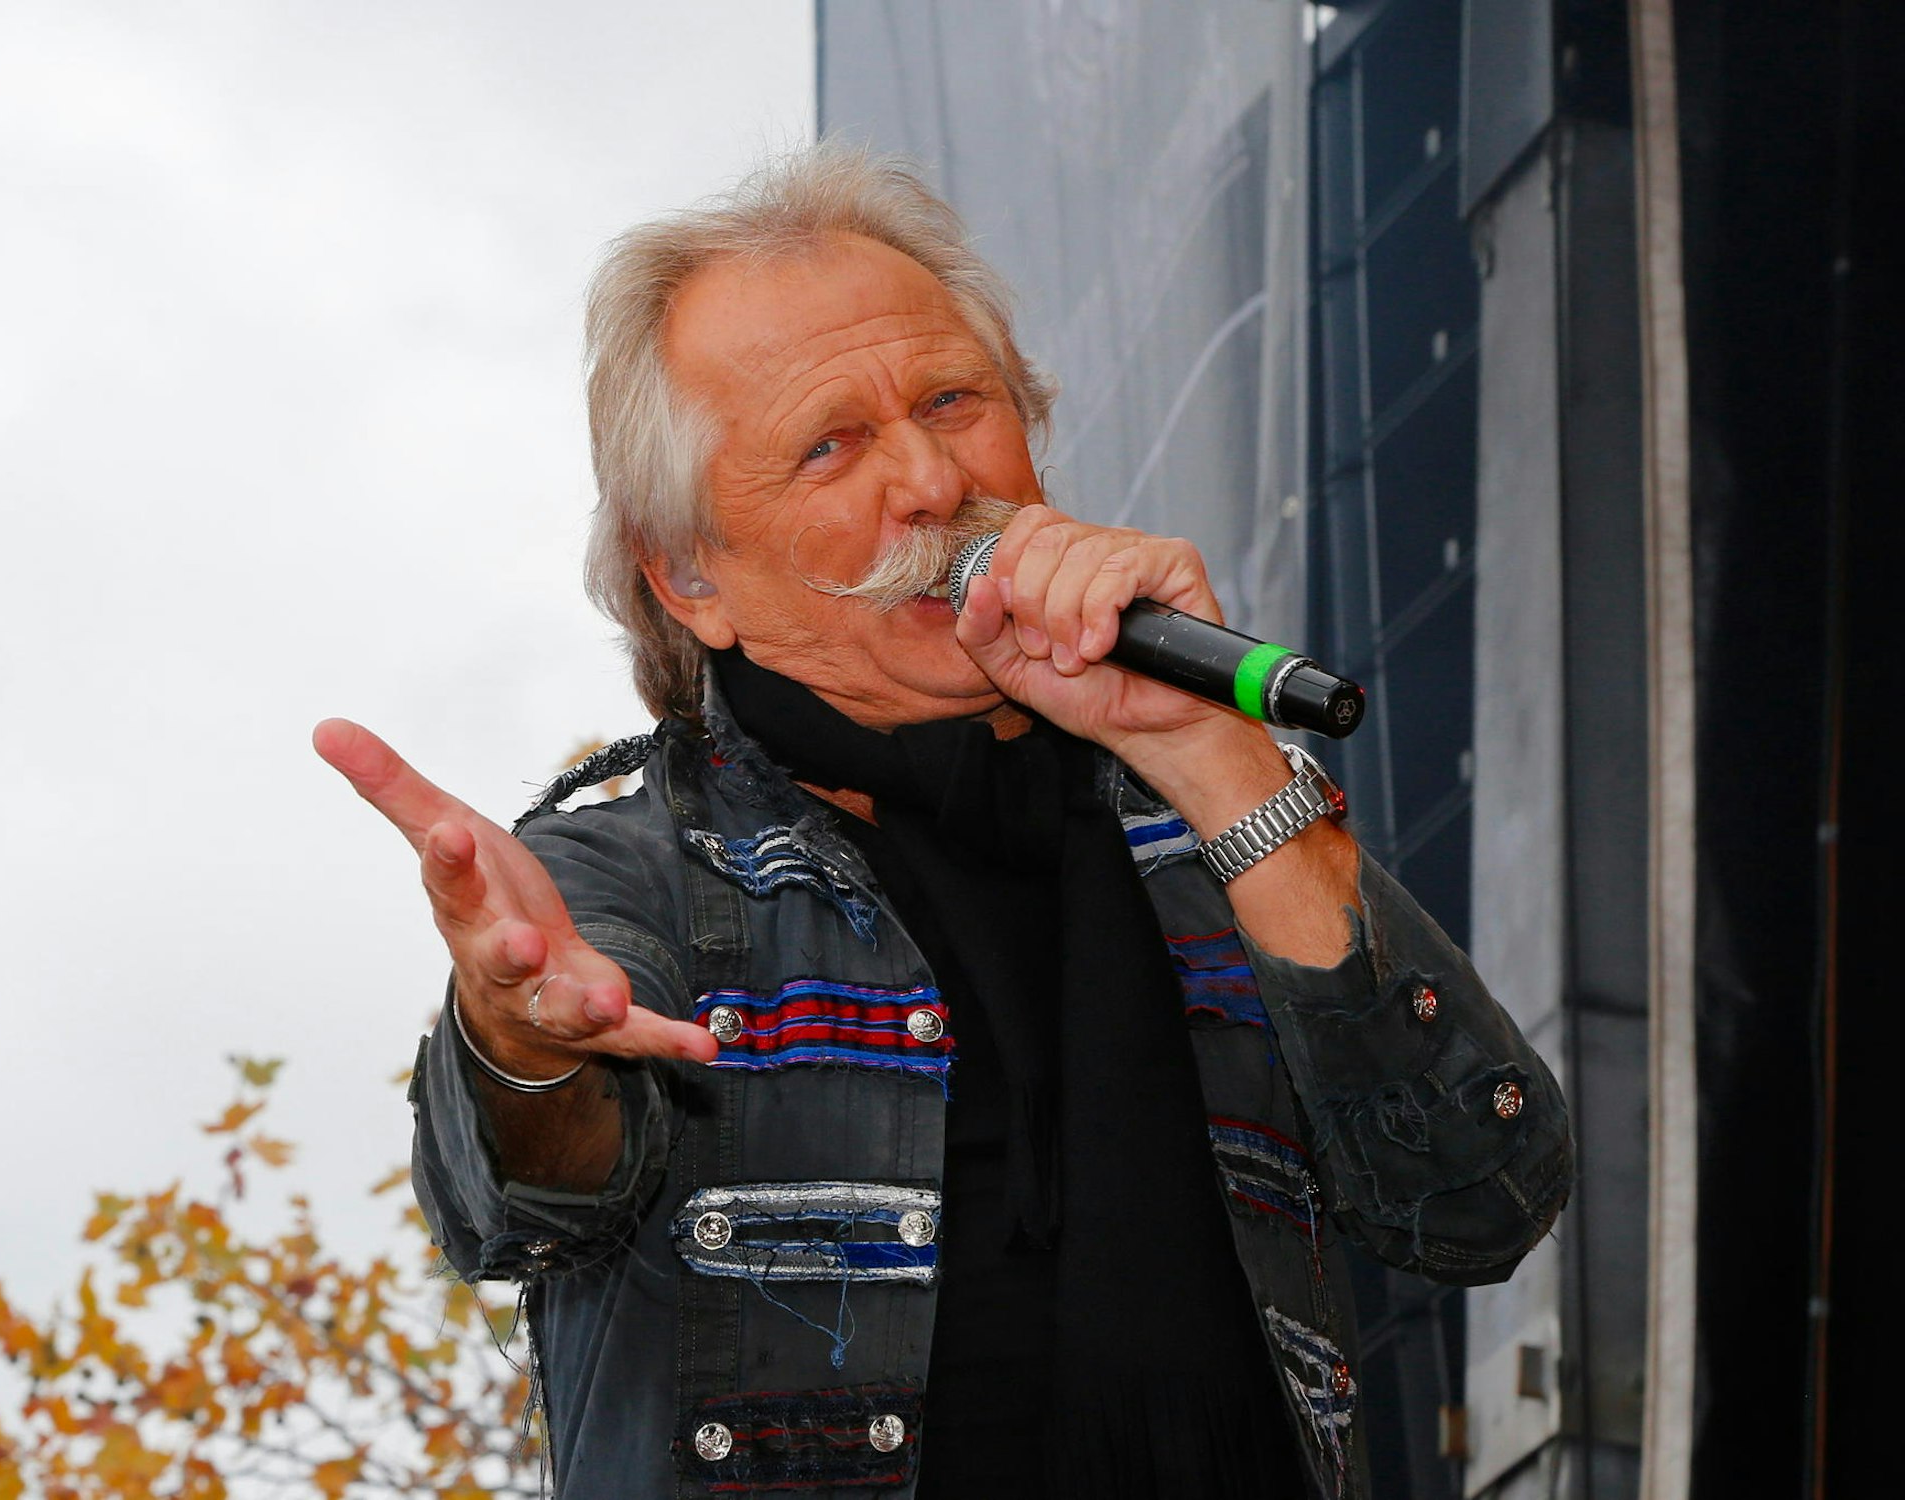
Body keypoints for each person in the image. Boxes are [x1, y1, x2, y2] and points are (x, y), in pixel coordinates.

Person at [315, 146, 1571, 1500]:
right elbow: (523, 1192)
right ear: (687, 576)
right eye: (831, 445)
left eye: (954, 401)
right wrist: (522, 1050)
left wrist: (1217, 758)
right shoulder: (628, 875)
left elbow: (1480, 1199)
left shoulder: (1203, 836)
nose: (926, 477)